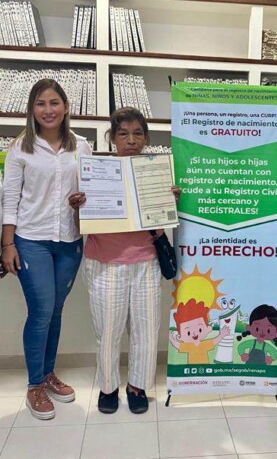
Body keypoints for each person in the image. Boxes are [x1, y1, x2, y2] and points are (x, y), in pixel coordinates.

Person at [1, 79, 93, 420]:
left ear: (66, 107)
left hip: (69, 241)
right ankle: (35, 384)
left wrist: (83, 200)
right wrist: (7, 244)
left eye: (55, 103)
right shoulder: (20, 148)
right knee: (40, 311)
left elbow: (92, 190)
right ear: (32, 109)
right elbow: (10, 198)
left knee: (55, 310)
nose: (48, 110)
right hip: (31, 240)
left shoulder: (81, 146)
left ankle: (48, 373)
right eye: (41, 103)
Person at [82, 107, 179, 415]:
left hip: (146, 260)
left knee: (146, 329)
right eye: (123, 134)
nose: (131, 140)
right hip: (104, 261)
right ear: (112, 138)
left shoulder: (157, 171)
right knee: (107, 331)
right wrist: (80, 204)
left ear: (146, 138)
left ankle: (138, 386)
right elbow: (82, 215)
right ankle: (108, 387)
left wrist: (170, 198)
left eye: (138, 134)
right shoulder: (96, 172)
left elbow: (162, 217)